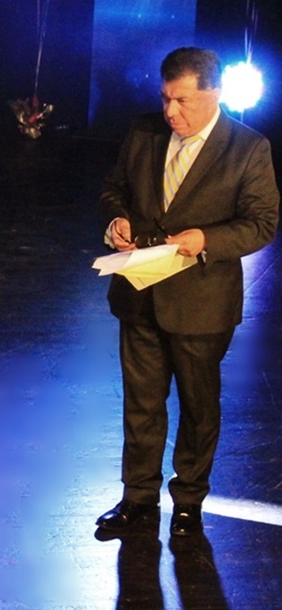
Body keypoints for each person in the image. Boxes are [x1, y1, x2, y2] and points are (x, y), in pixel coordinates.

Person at [96, 47, 278, 537]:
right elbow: (113, 188)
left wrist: (207, 241)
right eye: (165, 99)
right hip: (138, 293)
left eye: (182, 101)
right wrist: (118, 219)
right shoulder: (143, 132)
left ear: (214, 95)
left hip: (201, 303)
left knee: (198, 407)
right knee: (141, 403)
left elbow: (262, 224)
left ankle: (188, 501)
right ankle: (137, 499)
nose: (170, 112)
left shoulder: (248, 148)